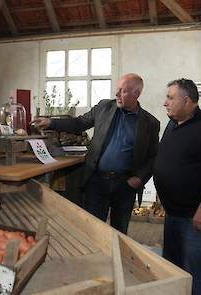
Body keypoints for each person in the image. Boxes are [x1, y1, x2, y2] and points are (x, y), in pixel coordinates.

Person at [34, 73, 160, 234]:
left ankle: (115, 259)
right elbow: (79, 123)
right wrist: (52, 122)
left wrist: (139, 178)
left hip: (125, 186)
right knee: (91, 230)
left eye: (123, 91)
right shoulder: (104, 107)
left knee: (119, 233)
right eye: (117, 89)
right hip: (97, 181)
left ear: (136, 94)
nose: (117, 94)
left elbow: (153, 157)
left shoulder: (150, 123)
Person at [153, 78, 201, 295]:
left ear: (186, 100)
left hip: (195, 217)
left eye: (170, 97)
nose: (165, 103)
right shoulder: (172, 123)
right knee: (173, 266)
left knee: (194, 269)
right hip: (173, 213)